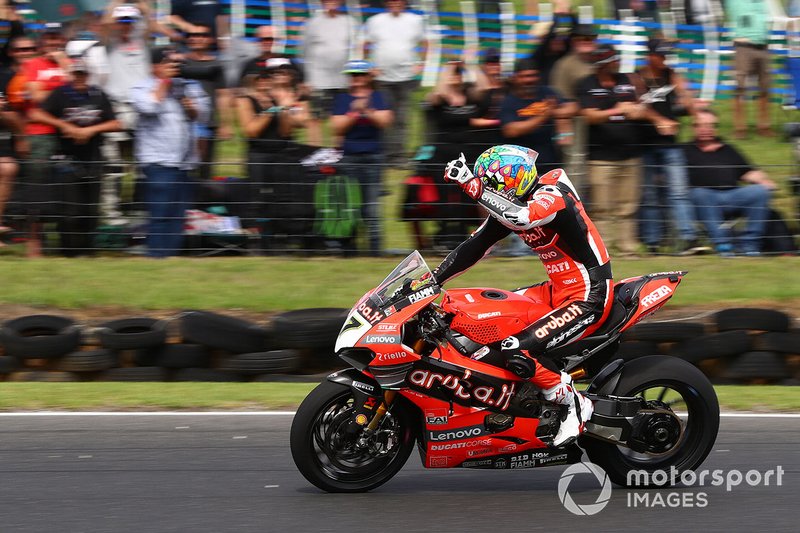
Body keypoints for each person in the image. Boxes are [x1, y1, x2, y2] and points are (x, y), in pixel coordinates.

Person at [436, 144, 610, 447]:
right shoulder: (511, 204)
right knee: (480, 319)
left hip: (588, 296)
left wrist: (473, 187)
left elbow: (522, 217)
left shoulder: (551, 196)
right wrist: (431, 280)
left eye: (492, 186)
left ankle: (574, 404)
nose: (489, 194)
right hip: (555, 290)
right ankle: (508, 403)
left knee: (516, 346)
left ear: (507, 183)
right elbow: (474, 247)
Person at [576, 44, 673, 256]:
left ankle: (627, 249)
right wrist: (617, 110)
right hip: (601, 158)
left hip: (631, 155)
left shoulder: (628, 80)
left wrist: (645, 115)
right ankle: (604, 251)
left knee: (628, 206)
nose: (617, 62)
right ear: (602, 64)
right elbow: (589, 115)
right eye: (612, 59)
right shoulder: (587, 84)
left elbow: (642, 107)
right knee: (602, 207)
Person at [29, 59, 121, 256]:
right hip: (67, 159)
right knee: (69, 212)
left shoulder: (98, 94)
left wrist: (90, 130)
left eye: (83, 74)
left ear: (89, 75)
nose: (80, 78)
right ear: (71, 74)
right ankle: (67, 252)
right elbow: (35, 114)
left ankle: (88, 252)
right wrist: (64, 126)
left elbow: (116, 123)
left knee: (91, 211)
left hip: (94, 157)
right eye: (76, 74)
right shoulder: (61, 93)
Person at [130, 47, 210, 258]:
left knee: (178, 215)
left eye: (176, 63)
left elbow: (203, 116)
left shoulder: (188, 87)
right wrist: (164, 82)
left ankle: (171, 257)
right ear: (154, 67)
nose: (174, 67)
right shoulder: (141, 88)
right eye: (168, 63)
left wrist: (189, 105)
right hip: (158, 162)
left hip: (184, 162)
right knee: (160, 213)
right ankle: (156, 256)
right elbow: (149, 107)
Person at [637, 38, 707, 255]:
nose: (665, 59)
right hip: (645, 144)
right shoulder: (637, 77)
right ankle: (652, 242)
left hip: (671, 145)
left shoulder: (671, 74)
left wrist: (696, 114)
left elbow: (686, 97)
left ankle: (688, 238)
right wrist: (658, 119)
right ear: (650, 56)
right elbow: (637, 105)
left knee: (678, 192)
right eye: (661, 55)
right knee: (648, 194)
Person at [683, 109, 776, 256]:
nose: (706, 129)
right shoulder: (684, 150)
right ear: (693, 127)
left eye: (710, 125)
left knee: (760, 191)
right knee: (700, 194)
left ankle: (750, 244)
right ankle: (722, 244)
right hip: (703, 198)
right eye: (701, 125)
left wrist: (764, 181)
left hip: (732, 195)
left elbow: (748, 172)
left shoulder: (728, 149)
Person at [235, 59, 308, 237]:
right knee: (256, 198)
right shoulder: (245, 100)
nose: (266, 81)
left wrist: (283, 108)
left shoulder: (286, 98)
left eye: (269, 77)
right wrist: (274, 109)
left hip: (282, 154)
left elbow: (285, 131)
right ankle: (254, 239)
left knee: (281, 198)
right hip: (258, 155)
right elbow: (251, 130)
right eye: (264, 77)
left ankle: (278, 237)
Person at [331, 59, 393, 255]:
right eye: (353, 75)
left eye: (359, 75)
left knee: (372, 209)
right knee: (351, 207)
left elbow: (385, 121)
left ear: (368, 77)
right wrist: (354, 112)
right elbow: (336, 127)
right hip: (349, 158)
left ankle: (375, 251)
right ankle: (350, 251)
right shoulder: (342, 99)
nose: (356, 79)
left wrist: (367, 110)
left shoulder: (378, 97)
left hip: (373, 158)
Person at [21, 23, 70, 257]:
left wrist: (63, 64)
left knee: (66, 190)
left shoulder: (70, 62)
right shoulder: (33, 64)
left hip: (69, 134)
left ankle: (65, 244)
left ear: (63, 40)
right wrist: (63, 89)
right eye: (48, 38)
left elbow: (81, 89)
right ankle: (34, 242)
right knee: (38, 190)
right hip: (40, 134)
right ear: (42, 41)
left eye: (56, 38)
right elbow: (36, 96)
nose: (53, 43)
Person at [364, 0, 427, 166]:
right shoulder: (375, 21)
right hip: (382, 79)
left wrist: (421, 64)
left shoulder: (415, 20)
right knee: (384, 118)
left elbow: (425, 42)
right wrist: (369, 66)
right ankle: (383, 155)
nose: (395, 3)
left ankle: (398, 156)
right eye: (391, 1)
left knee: (402, 118)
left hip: (405, 78)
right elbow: (365, 44)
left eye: (398, 1)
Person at [180, 22, 234, 182]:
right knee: (181, 166)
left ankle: (201, 204)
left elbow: (223, 95)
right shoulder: (178, 63)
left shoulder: (217, 65)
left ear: (210, 39)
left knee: (205, 167)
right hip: (181, 122)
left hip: (207, 123)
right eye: (192, 35)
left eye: (202, 35)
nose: (197, 39)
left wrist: (226, 123)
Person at [302, 0, 358, 147]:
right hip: (318, 79)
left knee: (340, 118)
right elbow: (304, 51)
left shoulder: (349, 21)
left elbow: (355, 49)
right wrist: (307, 80)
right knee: (316, 118)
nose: (330, 2)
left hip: (342, 79)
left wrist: (354, 77)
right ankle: (315, 155)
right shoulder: (312, 22)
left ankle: (337, 156)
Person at [725, 0, 773, 138]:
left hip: (763, 46)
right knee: (740, 88)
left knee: (765, 88)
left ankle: (764, 127)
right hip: (743, 47)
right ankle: (740, 128)